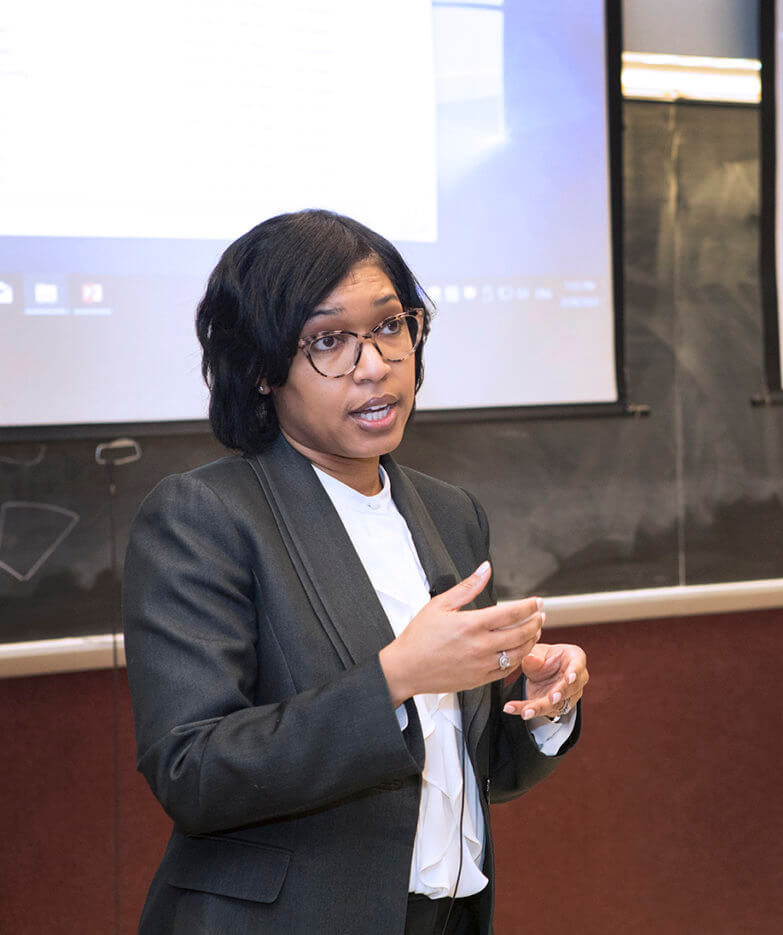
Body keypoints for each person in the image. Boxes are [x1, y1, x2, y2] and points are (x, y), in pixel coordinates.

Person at [123, 209, 588, 935]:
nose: (373, 364)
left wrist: (541, 708)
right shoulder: (206, 515)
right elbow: (194, 770)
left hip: (445, 915)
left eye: (391, 325)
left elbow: (465, 766)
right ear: (261, 369)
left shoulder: (450, 512)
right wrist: (395, 676)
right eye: (328, 340)